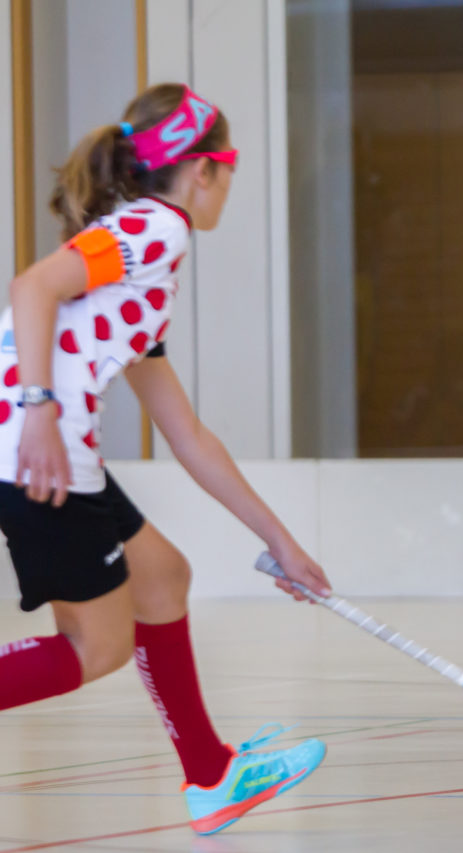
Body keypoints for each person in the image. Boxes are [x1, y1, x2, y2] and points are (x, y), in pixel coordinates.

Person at [0, 83, 332, 834]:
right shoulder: (159, 229)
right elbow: (33, 285)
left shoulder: (143, 268)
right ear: (203, 169)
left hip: (45, 443)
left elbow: (188, 435)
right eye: (231, 166)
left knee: (163, 577)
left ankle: (212, 777)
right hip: (36, 446)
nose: (228, 185)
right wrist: (41, 408)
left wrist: (278, 540)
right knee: (96, 647)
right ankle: (211, 776)